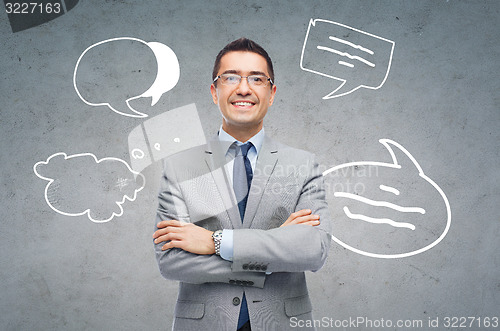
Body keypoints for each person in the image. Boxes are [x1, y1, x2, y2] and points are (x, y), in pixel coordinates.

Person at [153, 38, 332, 331]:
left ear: (271, 93)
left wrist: (215, 242)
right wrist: (274, 250)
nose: (244, 88)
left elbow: (313, 249)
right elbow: (171, 261)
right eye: (231, 77)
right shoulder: (179, 166)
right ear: (215, 91)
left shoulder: (303, 164)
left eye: (257, 79)